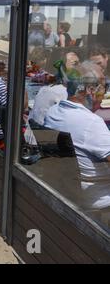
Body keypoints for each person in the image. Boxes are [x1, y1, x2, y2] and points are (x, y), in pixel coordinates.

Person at [44, 62, 110, 209]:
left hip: (67, 190)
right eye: (103, 88)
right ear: (90, 90)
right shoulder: (91, 123)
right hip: (99, 200)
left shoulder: (53, 112)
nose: (104, 93)